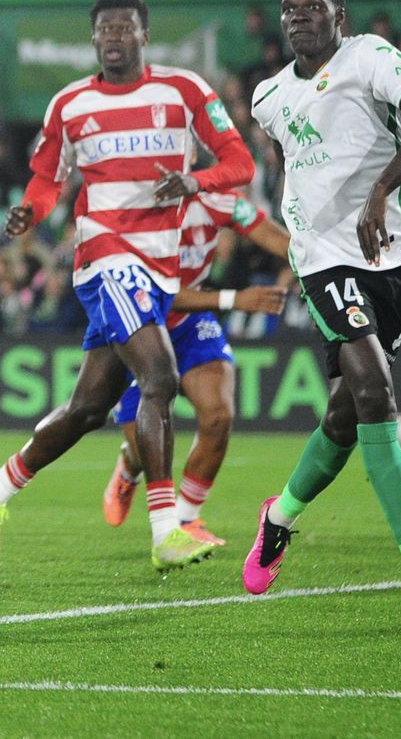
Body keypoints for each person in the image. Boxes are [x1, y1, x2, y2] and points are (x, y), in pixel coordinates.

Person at [0, 0, 255, 573]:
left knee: (88, 409)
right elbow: (48, 179)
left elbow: (239, 163)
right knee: (161, 375)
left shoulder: (185, 92)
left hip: (158, 263)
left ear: (145, 35)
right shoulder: (69, 103)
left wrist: (195, 182)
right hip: (104, 256)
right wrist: (31, 210)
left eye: (125, 27)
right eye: (104, 29)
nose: (114, 36)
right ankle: (166, 529)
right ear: (94, 38)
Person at [242, 0, 401, 622]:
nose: (297, 17)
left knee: (345, 415)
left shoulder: (368, 56)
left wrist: (379, 190)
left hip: (390, 261)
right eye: (288, 8)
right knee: (375, 394)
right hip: (323, 262)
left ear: (340, 14)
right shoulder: (267, 96)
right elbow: (298, 166)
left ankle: (279, 514)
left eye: (312, 7)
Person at [104, 192, 290, 546]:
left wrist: (320, 261)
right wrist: (234, 299)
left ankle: (187, 518)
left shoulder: (219, 199)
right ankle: (130, 466)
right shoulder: (138, 207)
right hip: (139, 323)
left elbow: (270, 234)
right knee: (147, 448)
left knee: (218, 416)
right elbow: (157, 292)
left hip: (192, 322)